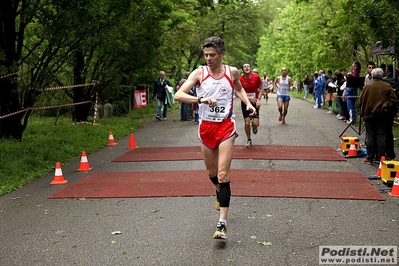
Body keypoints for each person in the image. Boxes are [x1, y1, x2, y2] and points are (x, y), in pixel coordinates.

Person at [174, 36, 256, 240]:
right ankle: (219, 191)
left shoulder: (232, 72)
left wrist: (247, 103)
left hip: (226, 127)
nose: (208, 58)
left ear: (222, 54)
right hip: (206, 128)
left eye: (212, 55)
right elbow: (178, 95)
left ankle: (222, 224)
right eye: (206, 55)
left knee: (222, 174)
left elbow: (238, 88)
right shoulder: (199, 73)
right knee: (211, 173)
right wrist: (200, 98)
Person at [359, 68, 397, 164]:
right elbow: (394, 100)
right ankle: (381, 157)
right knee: (381, 135)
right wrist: (386, 105)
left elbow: (361, 99)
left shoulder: (367, 87)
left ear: (373, 76)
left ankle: (370, 157)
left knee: (370, 135)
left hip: (369, 114)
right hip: (382, 114)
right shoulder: (387, 86)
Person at [239, 63, 263, 148]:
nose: (246, 68)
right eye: (244, 67)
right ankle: (249, 139)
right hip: (245, 102)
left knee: (256, 123)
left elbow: (261, 88)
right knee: (246, 122)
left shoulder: (256, 77)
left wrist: (258, 99)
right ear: (242, 70)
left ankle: (254, 126)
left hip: (255, 102)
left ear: (250, 68)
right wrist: (248, 99)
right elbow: (238, 93)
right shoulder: (240, 79)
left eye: (248, 66)